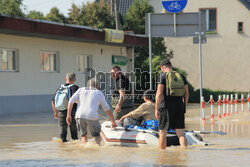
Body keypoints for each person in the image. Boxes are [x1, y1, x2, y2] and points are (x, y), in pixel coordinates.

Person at [66, 78, 117, 145]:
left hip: (79, 116)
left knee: (83, 136)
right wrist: (113, 121)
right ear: (97, 86)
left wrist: (68, 115)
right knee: (97, 136)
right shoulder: (98, 92)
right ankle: (96, 151)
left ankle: (84, 151)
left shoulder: (80, 90)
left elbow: (70, 101)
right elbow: (106, 109)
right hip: (92, 116)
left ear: (88, 85)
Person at [155, 59, 189, 149]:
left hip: (166, 106)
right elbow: (187, 93)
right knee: (181, 133)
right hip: (179, 105)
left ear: (162, 67)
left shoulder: (163, 76)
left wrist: (156, 109)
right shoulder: (180, 76)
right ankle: (184, 153)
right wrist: (184, 105)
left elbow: (159, 93)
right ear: (171, 66)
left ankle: (161, 155)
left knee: (162, 132)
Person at [51, 72, 79, 143]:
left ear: (65, 79)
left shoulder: (60, 88)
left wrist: (56, 112)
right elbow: (76, 100)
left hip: (61, 112)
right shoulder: (75, 87)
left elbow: (53, 102)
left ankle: (63, 151)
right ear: (75, 80)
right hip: (72, 113)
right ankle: (74, 152)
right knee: (74, 136)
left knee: (62, 136)